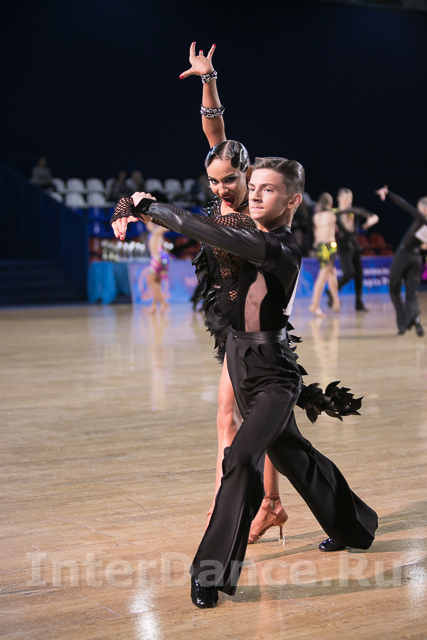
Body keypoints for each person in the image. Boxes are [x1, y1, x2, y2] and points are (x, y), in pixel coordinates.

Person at [110, 157, 378, 609]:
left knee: (240, 458)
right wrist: (134, 206)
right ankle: (356, 526)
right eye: (252, 186)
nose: (253, 194)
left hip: (273, 373)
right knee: (295, 457)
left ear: (292, 201)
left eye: (267, 189)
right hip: (240, 358)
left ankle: (210, 573)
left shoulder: (276, 246)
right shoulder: (249, 228)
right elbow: (218, 166)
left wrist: (149, 206)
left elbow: (203, 229)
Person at [180, 43, 288, 541]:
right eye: (213, 182)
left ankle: (240, 504)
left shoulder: (259, 214)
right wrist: (208, 80)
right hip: (229, 329)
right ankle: (265, 504)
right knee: (246, 421)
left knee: (245, 418)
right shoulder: (222, 180)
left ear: (248, 174)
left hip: (258, 330)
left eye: (229, 180)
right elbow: (215, 132)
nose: (221, 189)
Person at [375, 186, 426, 336]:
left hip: (404, 255)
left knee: (394, 289)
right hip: (417, 258)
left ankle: (403, 324)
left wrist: (388, 193)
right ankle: (415, 318)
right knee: (412, 292)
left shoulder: (422, 218)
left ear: (423, 208)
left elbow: (403, 204)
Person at [333, 188, 379, 312]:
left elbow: (374, 216)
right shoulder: (335, 214)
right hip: (343, 248)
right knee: (349, 273)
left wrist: (370, 222)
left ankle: (359, 303)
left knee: (359, 275)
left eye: (351, 198)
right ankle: (333, 291)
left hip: (355, 247)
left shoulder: (355, 211)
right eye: (346, 198)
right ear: (340, 199)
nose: (349, 200)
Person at [309, 192, 340, 317]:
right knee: (323, 275)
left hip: (318, 246)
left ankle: (336, 301)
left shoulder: (316, 216)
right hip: (328, 247)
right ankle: (314, 305)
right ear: (330, 203)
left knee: (332, 273)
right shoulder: (332, 215)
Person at [146, 222, 170, 315]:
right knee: (157, 283)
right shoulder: (156, 232)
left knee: (151, 281)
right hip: (160, 257)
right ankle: (154, 305)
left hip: (156, 258)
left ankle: (163, 303)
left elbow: (167, 227)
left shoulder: (157, 231)